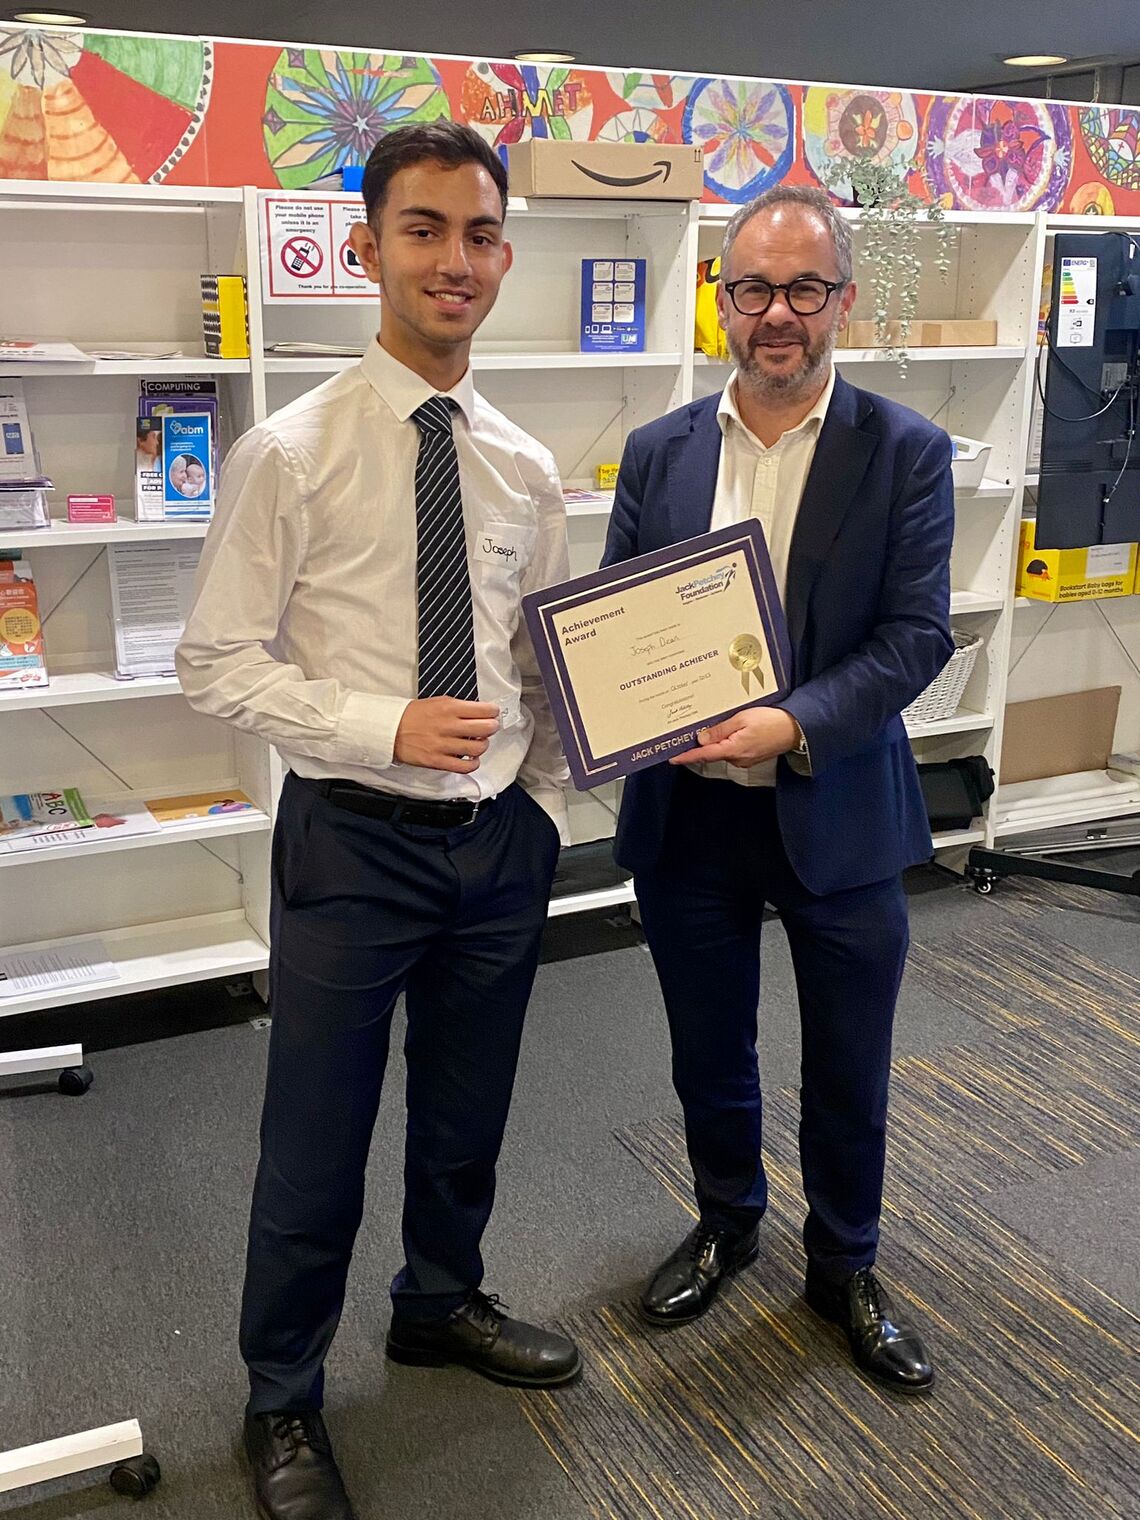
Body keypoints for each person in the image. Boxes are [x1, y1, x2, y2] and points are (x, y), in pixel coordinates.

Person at [176, 121, 579, 1520]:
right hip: (352, 842)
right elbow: (214, 661)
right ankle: (281, 1398)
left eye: (477, 236)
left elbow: (543, 663)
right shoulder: (290, 454)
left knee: (467, 1116)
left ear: (503, 258)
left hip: (497, 853)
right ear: (367, 248)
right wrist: (376, 724)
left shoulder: (526, 466)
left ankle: (439, 1302)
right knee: (316, 1142)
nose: (451, 261)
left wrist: (540, 809)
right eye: (422, 230)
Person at [603, 185, 954, 1395]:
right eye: (753, 287)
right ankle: (728, 1221)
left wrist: (790, 718)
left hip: (838, 809)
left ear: (843, 300)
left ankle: (845, 1262)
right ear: (723, 300)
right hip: (690, 816)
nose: (777, 313)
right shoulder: (660, 451)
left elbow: (915, 637)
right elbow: (615, 618)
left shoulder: (903, 449)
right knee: (712, 1050)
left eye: (805, 288)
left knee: (849, 1064)